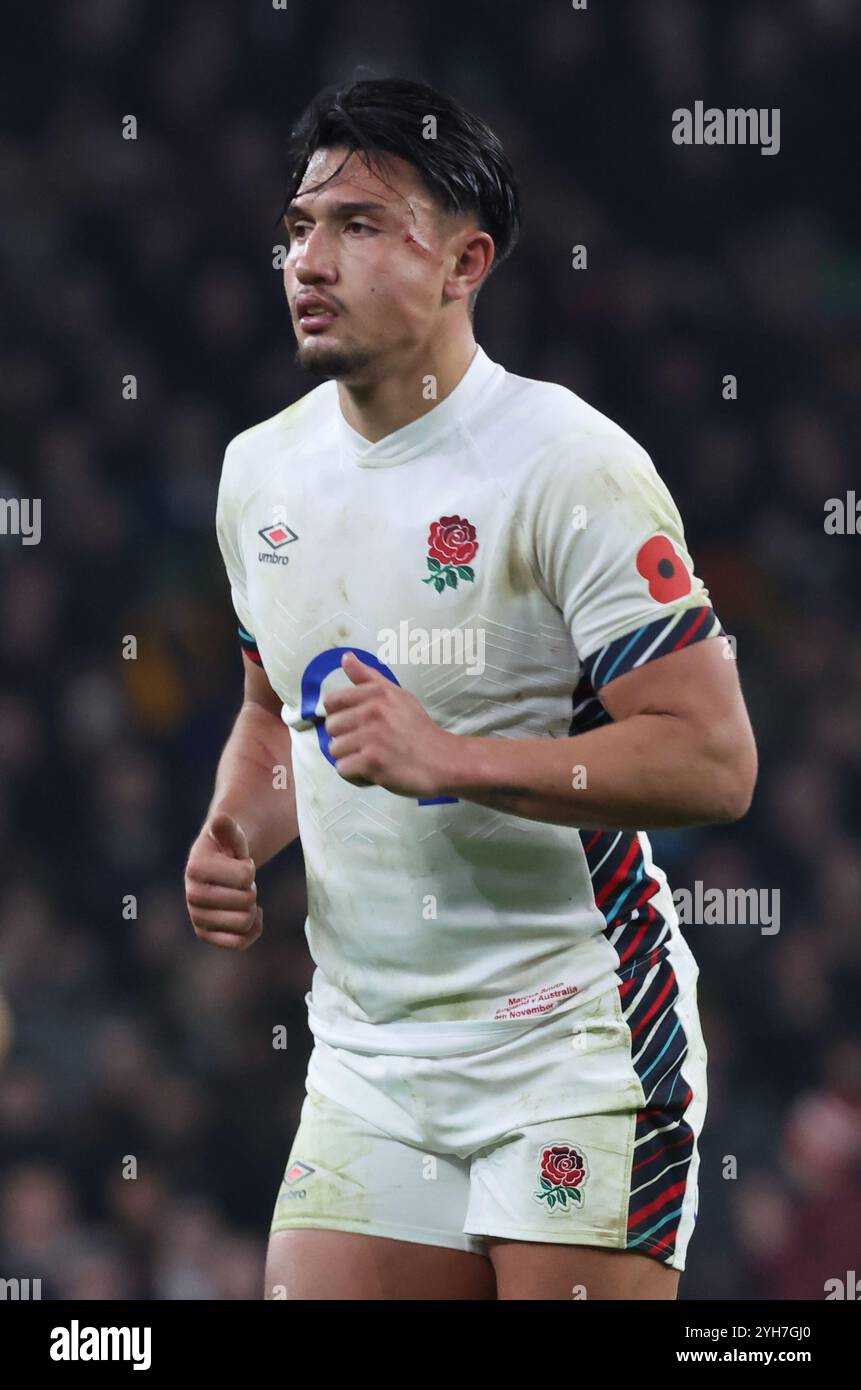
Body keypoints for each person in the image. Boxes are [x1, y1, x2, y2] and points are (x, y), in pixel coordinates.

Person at [185, 77, 757, 1301]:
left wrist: (456, 760)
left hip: (575, 1040)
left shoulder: (570, 465)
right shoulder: (258, 474)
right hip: (368, 1056)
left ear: (463, 262)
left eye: (357, 225)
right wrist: (237, 829)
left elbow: (714, 759)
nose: (308, 260)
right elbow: (274, 711)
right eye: (297, 228)